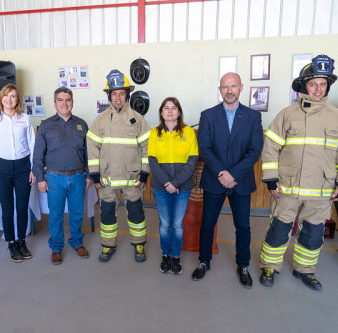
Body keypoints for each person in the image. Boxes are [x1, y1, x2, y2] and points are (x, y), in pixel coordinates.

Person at [259, 55, 338, 291]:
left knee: (313, 234)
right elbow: (271, 146)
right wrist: (271, 180)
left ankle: (305, 270)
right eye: (313, 84)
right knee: (279, 229)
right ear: (304, 86)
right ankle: (269, 266)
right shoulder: (287, 114)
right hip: (287, 188)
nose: (318, 89)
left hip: (320, 190)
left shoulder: (337, 117)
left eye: (323, 84)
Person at [191, 72, 263, 288]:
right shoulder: (208, 115)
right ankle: (204, 261)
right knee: (208, 223)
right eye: (225, 86)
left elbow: (254, 150)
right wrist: (222, 172)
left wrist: (233, 174)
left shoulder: (252, 117)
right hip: (215, 180)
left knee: (243, 226)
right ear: (220, 89)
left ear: (241, 87)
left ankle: (243, 265)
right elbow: (204, 148)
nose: (229, 90)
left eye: (233, 86)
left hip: (241, 182)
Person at [86, 69, 151, 263]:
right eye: (114, 93)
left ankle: (139, 245)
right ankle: (108, 246)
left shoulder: (138, 119)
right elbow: (92, 147)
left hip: (133, 179)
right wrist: (95, 174)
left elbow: (148, 146)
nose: (118, 97)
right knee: (106, 214)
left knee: (136, 213)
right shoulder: (100, 121)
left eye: (122, 93)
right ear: (109, 96)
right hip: (107, 179)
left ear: (127, 95)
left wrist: (145, 172)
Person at [33, 87, 92, 265]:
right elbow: (37, 156)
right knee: (56, 215)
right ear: (55, 103)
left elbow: (89, 153)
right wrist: (40, 178)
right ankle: (57, 247)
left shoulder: (81, 124)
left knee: (76, 214)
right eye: (60, 100)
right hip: (54, 178)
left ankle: (76, 243)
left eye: (67, 100)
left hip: (78, 177)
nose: (64, 103)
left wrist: (89, 175)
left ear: (72, 102)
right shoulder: (46, 126)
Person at [0, 84, 36, 262]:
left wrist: (33, 170)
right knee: (7, 210)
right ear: (1, 99)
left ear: (17, 100)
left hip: (23, 168)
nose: (9, 99)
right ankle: (11, 243)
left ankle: (21, 241)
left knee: (22, 209)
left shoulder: (25, 119)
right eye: (6, 95)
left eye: (13, 96)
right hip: (2, 169)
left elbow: (33, 146)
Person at [148, 97, 198, 274]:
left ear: (179, 112)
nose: (170, 111)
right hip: (160, 187)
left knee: (177, 224)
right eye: (166, 108)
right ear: (161, 112)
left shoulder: (188, 133)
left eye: (174, 108)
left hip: (182, 188)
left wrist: (175, 183)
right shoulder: (155, 133)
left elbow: (192, 161)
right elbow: (152, 161)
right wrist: (167, 183)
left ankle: (175, 257)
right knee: (164, 223)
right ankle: (165, 255)